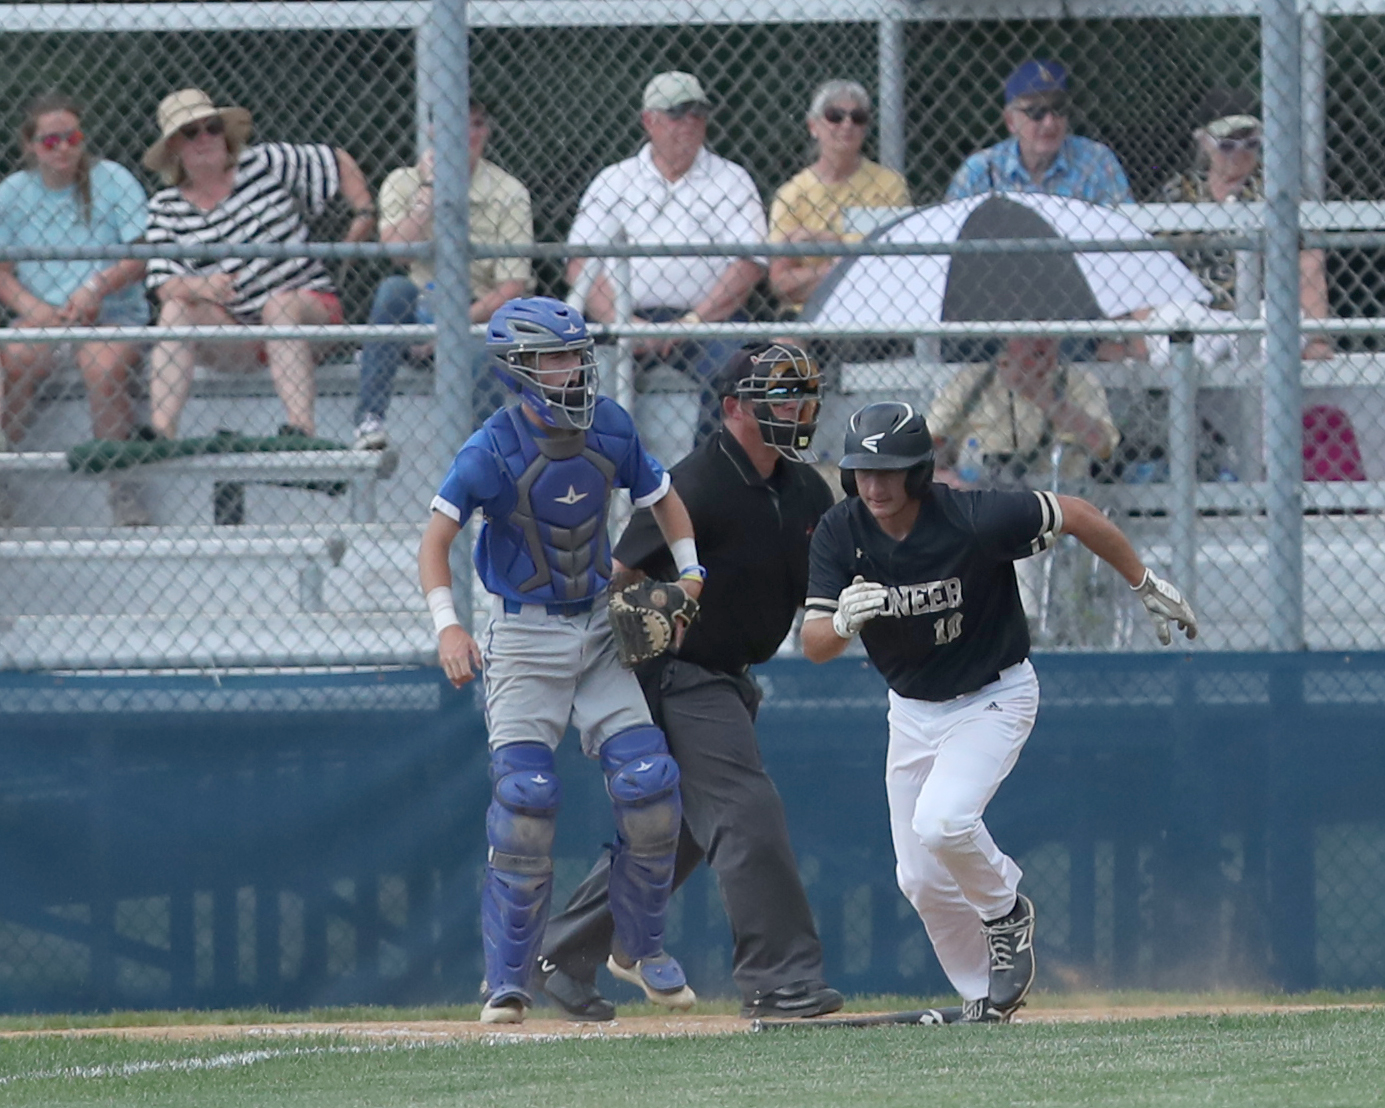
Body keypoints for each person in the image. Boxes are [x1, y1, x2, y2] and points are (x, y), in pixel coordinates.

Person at [801, 401, 1197, 1022]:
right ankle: (982, 998)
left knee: (944, 821)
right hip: (911, 710)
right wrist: (842, 621)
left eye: (890, 470)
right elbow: (814, 645)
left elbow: (1078, 514)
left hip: (993, 696)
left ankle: (1006, 911)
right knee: (920, 879)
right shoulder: (839, 532)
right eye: (862, 471)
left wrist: (1142, 582)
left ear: (920, 470)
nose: (874, 485)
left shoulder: (971, 518)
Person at [417, 296, 704, 1025]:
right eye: (554, 357)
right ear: (517, 368)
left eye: (576, 354)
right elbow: (434, 542)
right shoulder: (490, 447)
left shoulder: (609, 424)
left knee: (651, 788)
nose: (572, 369)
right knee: (526, 800)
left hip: (599, 631)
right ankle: (507, 980)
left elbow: (664, 499)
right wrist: (448, 628)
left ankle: (639, 950)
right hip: (524, 637)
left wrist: (690, 571)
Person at [539, 342, 844, 1022]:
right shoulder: (694, 485)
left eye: (798, 394)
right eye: (776, 396)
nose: (793, 408)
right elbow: (615, 579)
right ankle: (780, 981)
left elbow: (815, 594)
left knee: (672, 833)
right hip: (675, 675)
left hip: (728, 677)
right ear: (734, 408)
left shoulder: (802, 489)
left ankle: (563, 952)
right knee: (744, 812)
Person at [142, 88, 375, 440]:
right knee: (176, 309)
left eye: (213, 127)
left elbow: (336, 160)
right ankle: (162, 431)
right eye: (191, 132)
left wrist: (364, 212)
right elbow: (163, 283)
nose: (205, 138)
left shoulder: (263, 162)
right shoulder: (165, 206)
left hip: (305, 312)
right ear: (174, 147)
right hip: (238, 331)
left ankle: (300, 428)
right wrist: (201, 287)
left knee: (278, 306)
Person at [567, 71, 766, 444]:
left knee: (739, 375)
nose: (690, 124)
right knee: (571, 376)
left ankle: (705, 489)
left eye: (698, 115)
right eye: (677, 115)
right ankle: (589, 489)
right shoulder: (614, 181)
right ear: (649, 121)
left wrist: (690, 322)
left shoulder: (732, 180)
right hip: (620, 320)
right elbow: (580, 265)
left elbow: (748, 266)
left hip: (705, 322)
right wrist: (625, 322)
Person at [0, 92, 150, 525]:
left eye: (72, 137)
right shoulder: (13, 193)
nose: (63, 147)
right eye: (50, 141)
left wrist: (97, 288)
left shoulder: (113, 180)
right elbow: (3, 272)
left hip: (110, 313)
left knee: (103, 366)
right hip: (45, 318)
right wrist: (35, 307)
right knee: (13, 357)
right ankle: (4, 478)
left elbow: (140, 257)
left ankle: (121, 489)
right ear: (30, 146)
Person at [354, 97, 534, 450]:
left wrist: (448, 330)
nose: (468, 134)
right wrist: (430, 189)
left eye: (477, 124)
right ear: (433, 131)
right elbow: (396, 251)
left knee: (488, 349)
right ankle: (369, 422)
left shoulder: (509, 192)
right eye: (457, 124)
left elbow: (511, 287)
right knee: (393, 291)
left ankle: (479, 455)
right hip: (419, 308)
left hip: (476, 314)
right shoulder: (404, 182)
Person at [1156, 87, 1332, 361]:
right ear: (1203, 142)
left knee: (1273, 333)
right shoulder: (1180, 192)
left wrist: (1318, 339)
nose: (1238, 154)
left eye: (1250, 143)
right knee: (1174, 323)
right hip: (1202, 312)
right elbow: (1151, 266)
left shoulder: (1281, 189)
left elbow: (1309, 264)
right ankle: (1180, 401)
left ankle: (1266, 404)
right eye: (1226, 145)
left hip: (1265, 307)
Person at [767, 80, 910, 317]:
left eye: (858, 117)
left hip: (874, 311)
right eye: (835, 116)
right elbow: (781, 284)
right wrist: (849, 260)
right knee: (785, 340)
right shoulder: (791, 194)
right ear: (813, 126)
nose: (847, 125)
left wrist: (823, 239)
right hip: (807, 314)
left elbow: (888, 267)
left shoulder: (889, 185)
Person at [928, 336, 1120, 489]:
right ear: (1008, 338)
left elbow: (1102, 445)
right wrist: (946, 476)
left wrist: (1044, 397)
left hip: (1055, 495)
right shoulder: (973, 379)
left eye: (1048, 333)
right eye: (1026, 335)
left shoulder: (1077, 381)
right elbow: (928, 438)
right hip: (980, 493)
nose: (1038, 341)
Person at [945, 60, 1133, 207]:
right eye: (1036, 113)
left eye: (1058, 108)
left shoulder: (1097, 161)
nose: (1049, 122)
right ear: (1011, 121)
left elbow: (1124, 229)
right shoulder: (980, 170)